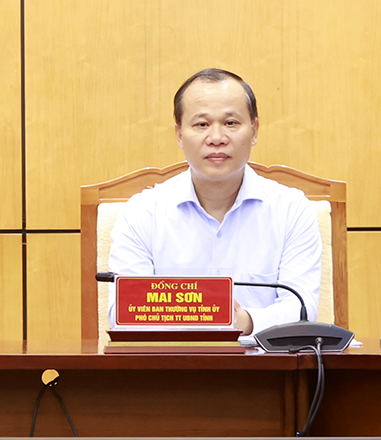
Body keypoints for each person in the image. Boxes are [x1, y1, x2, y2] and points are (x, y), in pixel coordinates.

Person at [107, 69, 321, 335]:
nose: (217, 138)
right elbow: (124, 313)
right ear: (179, 135)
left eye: (231, 123)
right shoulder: (142, 213)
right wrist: (209, 316)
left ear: (254, 130)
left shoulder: (291, 210)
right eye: (201, 124)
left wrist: (246, 322)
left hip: (261, 359)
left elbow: (302, 308)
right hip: (170, 360)